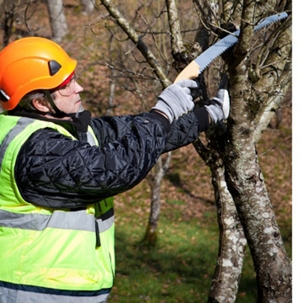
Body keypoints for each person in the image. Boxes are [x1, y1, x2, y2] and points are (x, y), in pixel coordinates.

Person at [0, 37, 229, 303]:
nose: (79, 87)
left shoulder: (59, 132)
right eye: (66, 86)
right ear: (41, 104)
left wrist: (208, 114)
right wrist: (163, 112)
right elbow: (119, 168)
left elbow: (140, 135)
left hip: (57, 289)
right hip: (31, 292)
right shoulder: (36, 151)